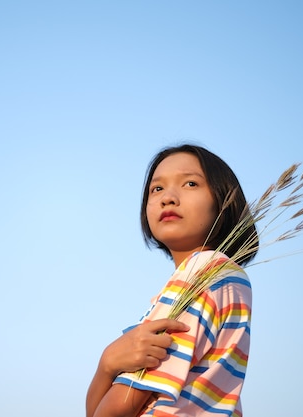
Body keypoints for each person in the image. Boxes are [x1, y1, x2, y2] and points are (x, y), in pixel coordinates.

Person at [86, 144, 258, 417]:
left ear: (224, 200)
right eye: (157, 189)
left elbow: (111, 411)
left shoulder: (204, 272)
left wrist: (107, 365)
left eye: (190, 183)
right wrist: (107, 363)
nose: (168, 198)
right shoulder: (223, 278)